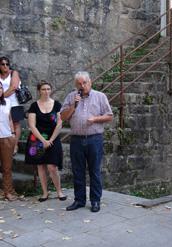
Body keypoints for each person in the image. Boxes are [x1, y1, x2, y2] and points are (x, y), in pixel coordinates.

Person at [61, 71, 113, 213]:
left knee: (94, 171)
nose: (82, 86)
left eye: (84, 83)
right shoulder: (71, 97)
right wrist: (74, 105)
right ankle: (79, 200)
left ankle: (95, 201)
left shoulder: (100, 96)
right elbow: (63, 117)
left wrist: (95, 119)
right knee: (77, 171)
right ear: (75, 84)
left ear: (90, 82)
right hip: (76, 140)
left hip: (94, 139)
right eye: (79, 83)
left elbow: (109, 116)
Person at [25, 81, 66, 202]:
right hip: (37, 140)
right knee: (41, 166)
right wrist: (43, 140)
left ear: (51, 90)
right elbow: (32, 125)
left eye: (48, 89)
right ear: (39, 91)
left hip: (53, 138)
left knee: (52, 166)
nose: (46, 91)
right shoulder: (34, 106)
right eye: (43, 89)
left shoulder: (57, 104)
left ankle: (59, 191)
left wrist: (51, 140)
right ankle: (44, 193)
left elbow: (59, 123)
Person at [0, 56, 24, 155]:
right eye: (3, 64)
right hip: (2, 105)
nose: (5, 66)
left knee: (15, 124)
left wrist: (1, 97)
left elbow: (13, 87)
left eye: (7, 64)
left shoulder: (14, 73)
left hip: (14, 103)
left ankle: (15, 145)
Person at [0, 82, 17, 201]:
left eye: (0, 87)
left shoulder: (7, 103)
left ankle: (8, 192)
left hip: (6, 137)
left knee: (7, 167)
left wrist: (13, 134)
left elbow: (10, 119)